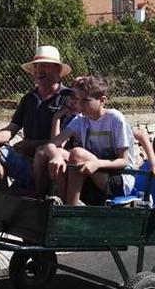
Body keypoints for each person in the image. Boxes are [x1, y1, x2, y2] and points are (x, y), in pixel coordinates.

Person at [0, 45, 73, 193]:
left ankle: (40, 200)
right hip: (26, 162)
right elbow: (12, 128)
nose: (38, 71)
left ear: (57, 69)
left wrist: (30, 145)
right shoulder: (28, 99)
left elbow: (62, 143)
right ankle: (6, 197)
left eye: (44, 66)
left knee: (41, 153)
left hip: (55, 165)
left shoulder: (70, 99)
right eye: (36, 67)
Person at [45, 76, 137, 205]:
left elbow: (123, 161)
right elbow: (51, 144)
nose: (80, 105)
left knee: (77, 153)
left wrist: (97, 164)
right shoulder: (81, 119)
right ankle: (61, 200)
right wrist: (55, 156)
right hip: (94, 171)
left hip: (119, 177)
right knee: (60, 152)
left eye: (85, 101)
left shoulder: (115, 118)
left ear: (102, 100)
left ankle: (70, 208)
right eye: (78, 100)